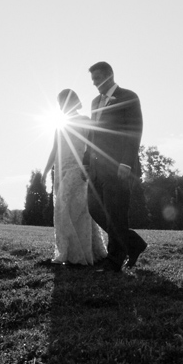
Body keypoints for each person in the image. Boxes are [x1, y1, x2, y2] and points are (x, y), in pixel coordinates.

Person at [82, 62, 147, 272]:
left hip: (119, 166)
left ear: (109, 75)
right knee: (94, 209)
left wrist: (126, 162)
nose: (95, 83)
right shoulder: (95, 102)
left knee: (116, 213)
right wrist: (85, 160)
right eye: (93, 80)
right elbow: (92, 134)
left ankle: (114, 260)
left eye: (98, 78)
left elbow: (135, 131)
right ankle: (133, 243)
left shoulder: (129, 97)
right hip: (96, 167)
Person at [43, 89, 108, 265]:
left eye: (62, 102)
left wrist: (91, 168)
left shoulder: (85, 122)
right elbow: (55, 149)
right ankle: (71, 251)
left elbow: (92, 147)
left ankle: (76, 253)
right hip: (61, 170)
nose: (60, 107)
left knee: (73, 210)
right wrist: (46, 170)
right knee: (66, 209)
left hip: (79, 169)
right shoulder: (60, 123)